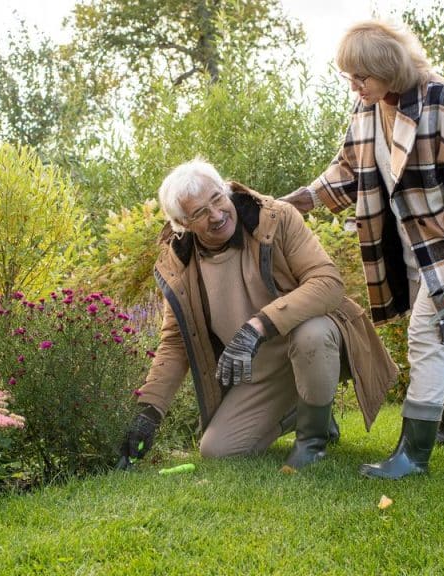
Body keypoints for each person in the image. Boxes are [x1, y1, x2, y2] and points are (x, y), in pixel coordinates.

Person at [280, 20, 444, 479]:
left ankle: (413, 455)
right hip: (410, 245)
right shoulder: (368, 108)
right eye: (349, 76)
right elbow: (346, 171)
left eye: (361, 76)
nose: (354, 85)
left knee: (425, 332)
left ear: (388, 67)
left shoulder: (441, 98)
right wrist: (296, 202)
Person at [119, 158, 397, 471]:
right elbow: (175, 341)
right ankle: (302, 408)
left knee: (312, 333)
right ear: (183, 224)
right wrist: (149, 411)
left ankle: (312, 442)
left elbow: (328, 283)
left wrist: (257, 326)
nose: (216, 215)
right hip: (263, 370)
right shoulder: (181, 264)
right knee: (217, 450)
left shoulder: (276, 217)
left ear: (225, 189)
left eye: (217, 198)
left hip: (313, 343)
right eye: (199, 213)